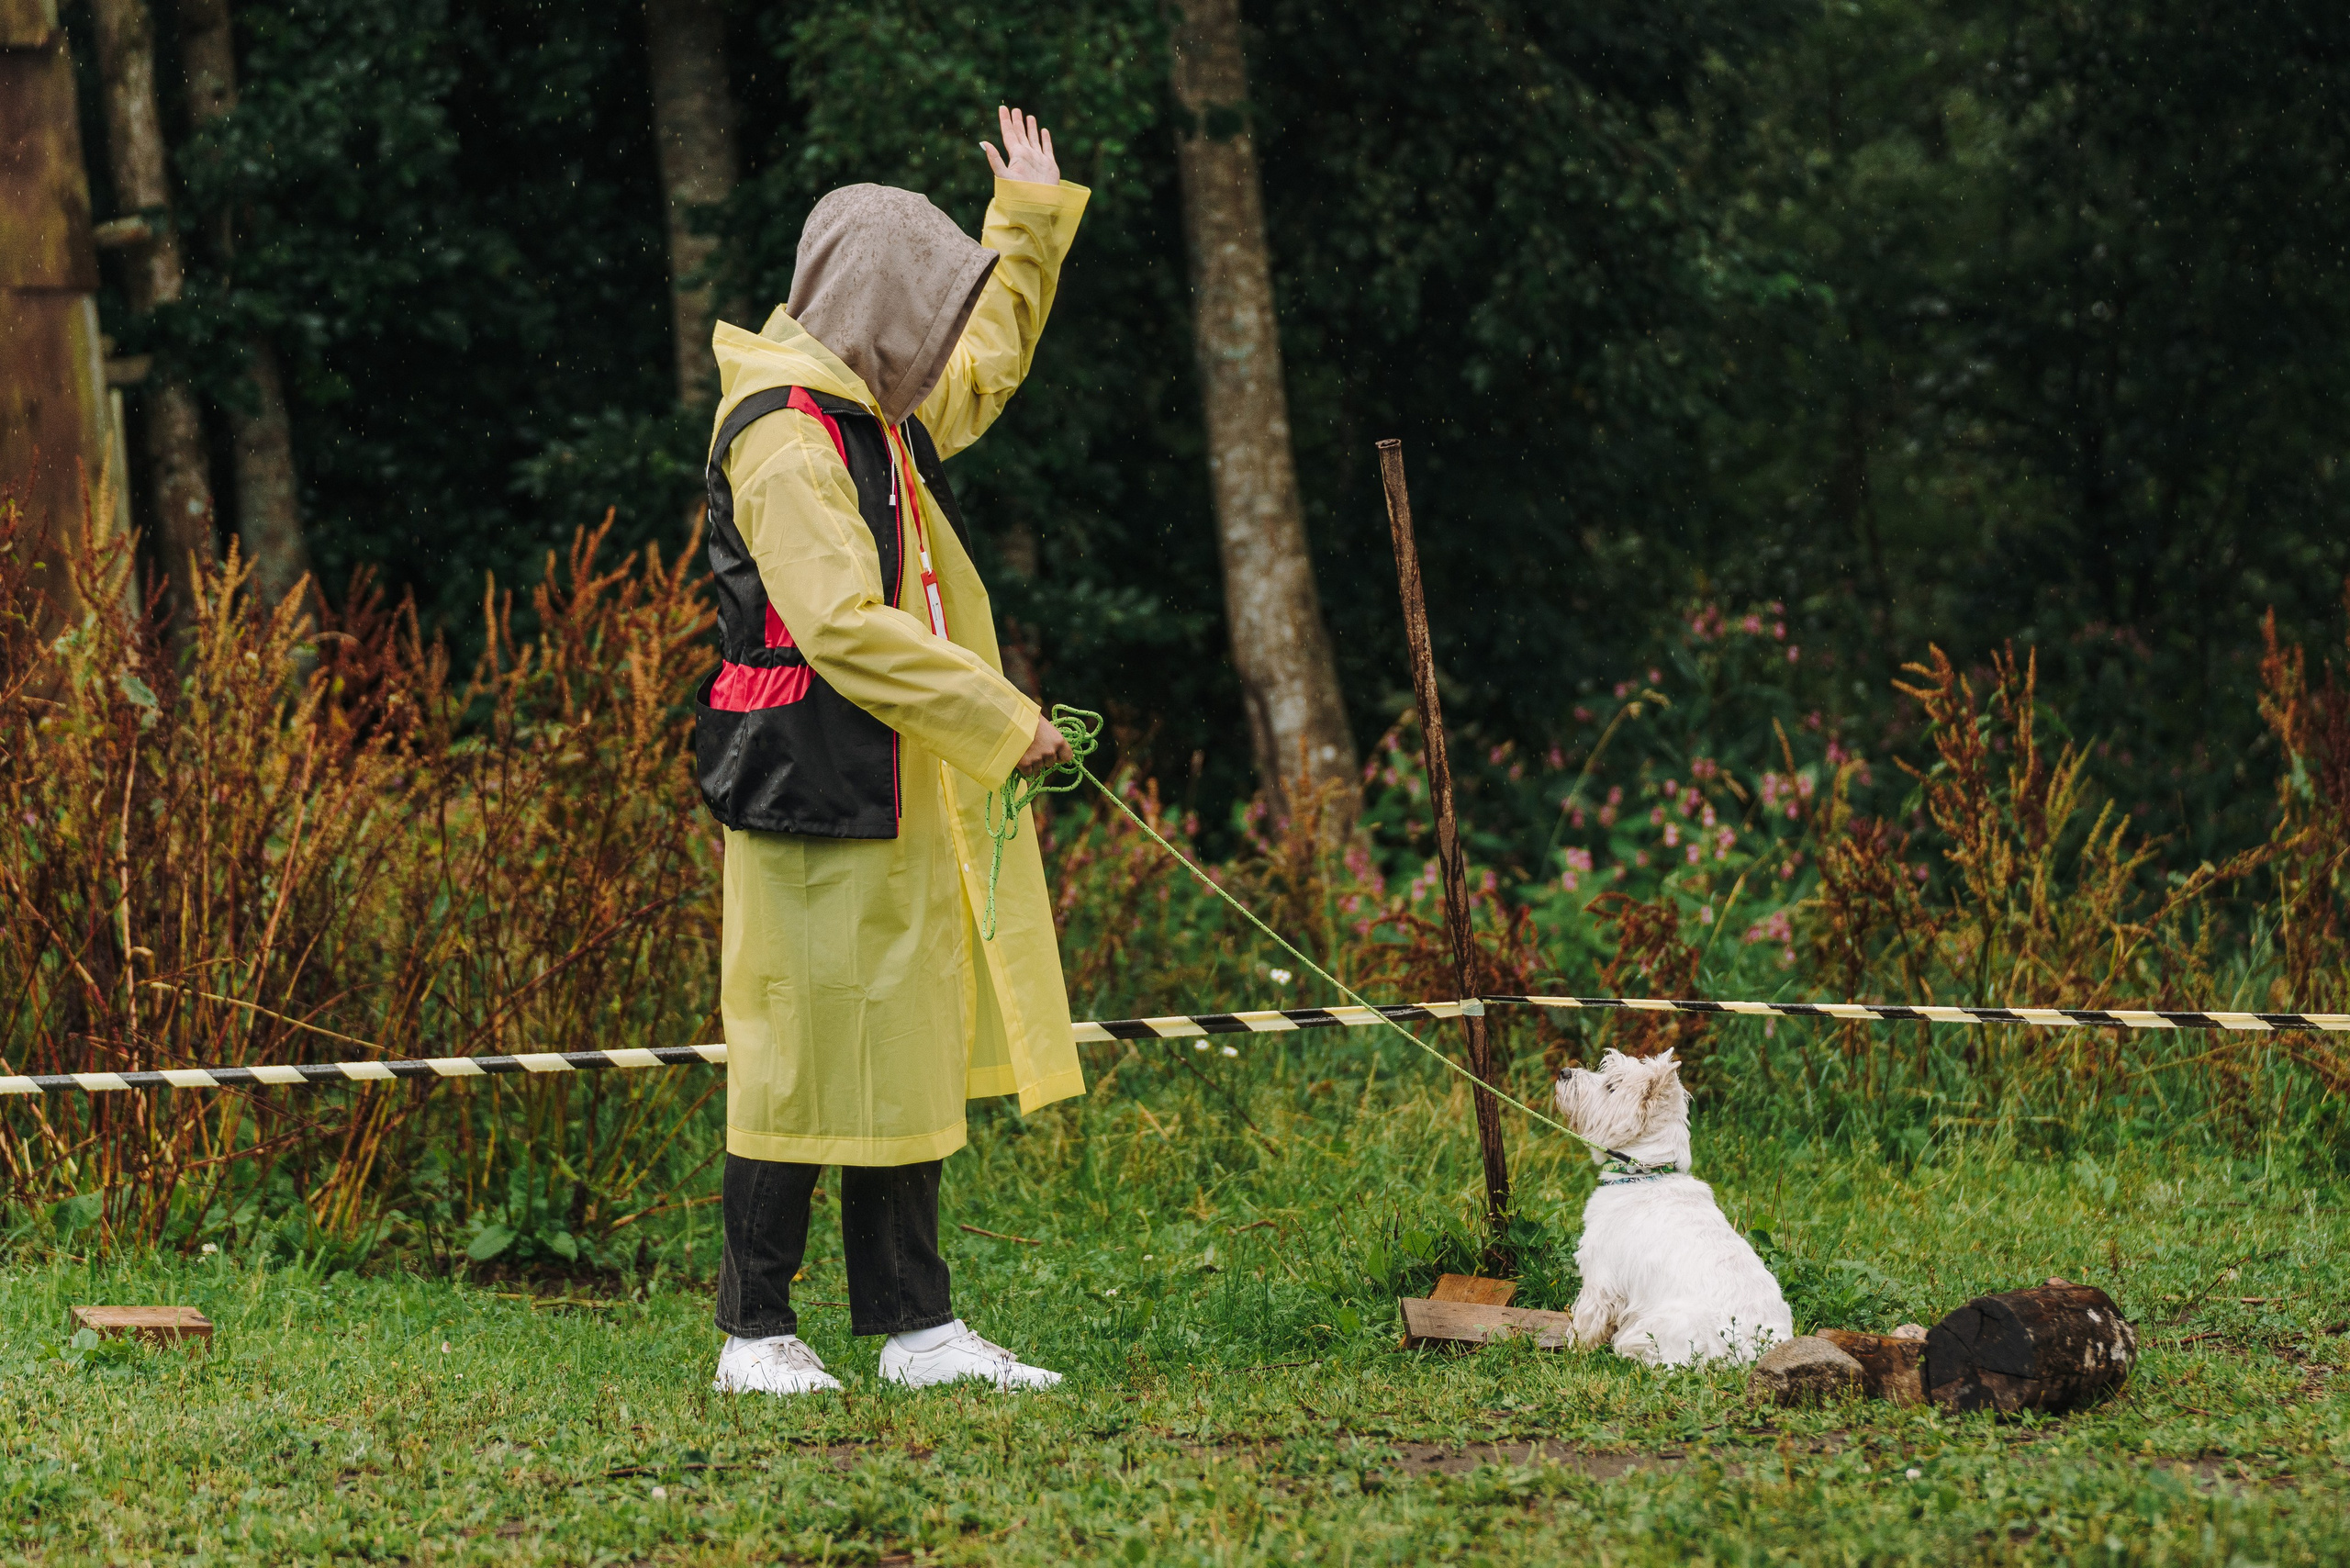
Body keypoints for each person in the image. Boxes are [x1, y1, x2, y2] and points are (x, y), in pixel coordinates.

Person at [694, 107, 1088, 1394]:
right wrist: (998, 718)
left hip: (899, 777)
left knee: (901, 1046)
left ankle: (915, 1328)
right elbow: (844, 629)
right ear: (872, 304)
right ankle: (753, 1335)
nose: (932, 340)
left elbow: (974, 370)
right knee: (798, 1055)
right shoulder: (784, 433)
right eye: (918, 304)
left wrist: (1023, 228)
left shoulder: (872, 407)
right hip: (808, 778)